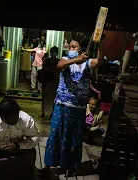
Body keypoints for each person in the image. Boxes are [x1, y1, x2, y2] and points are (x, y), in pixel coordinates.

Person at [43, 36, 104, 177]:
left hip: (78, 107)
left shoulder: (87, 63)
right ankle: (48, 164)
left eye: (73, 47)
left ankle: (69, 166)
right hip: (61, 104)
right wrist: (77, 59)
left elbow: (99, 62)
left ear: (81, 49)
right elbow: (59, 66)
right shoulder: (65, 60)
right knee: (55, 134)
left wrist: (101, 45)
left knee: (74, 137)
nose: (70, 49)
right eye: (69, 47)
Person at [38, 46, 59, 117]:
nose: (53, 54)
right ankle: (45, 113)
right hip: (50, 82)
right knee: (48, 97)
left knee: (50, 97)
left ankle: (47, 113)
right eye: (52, 52)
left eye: (54, 52)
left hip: (51, 82)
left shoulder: (47, 61)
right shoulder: (55, 61)